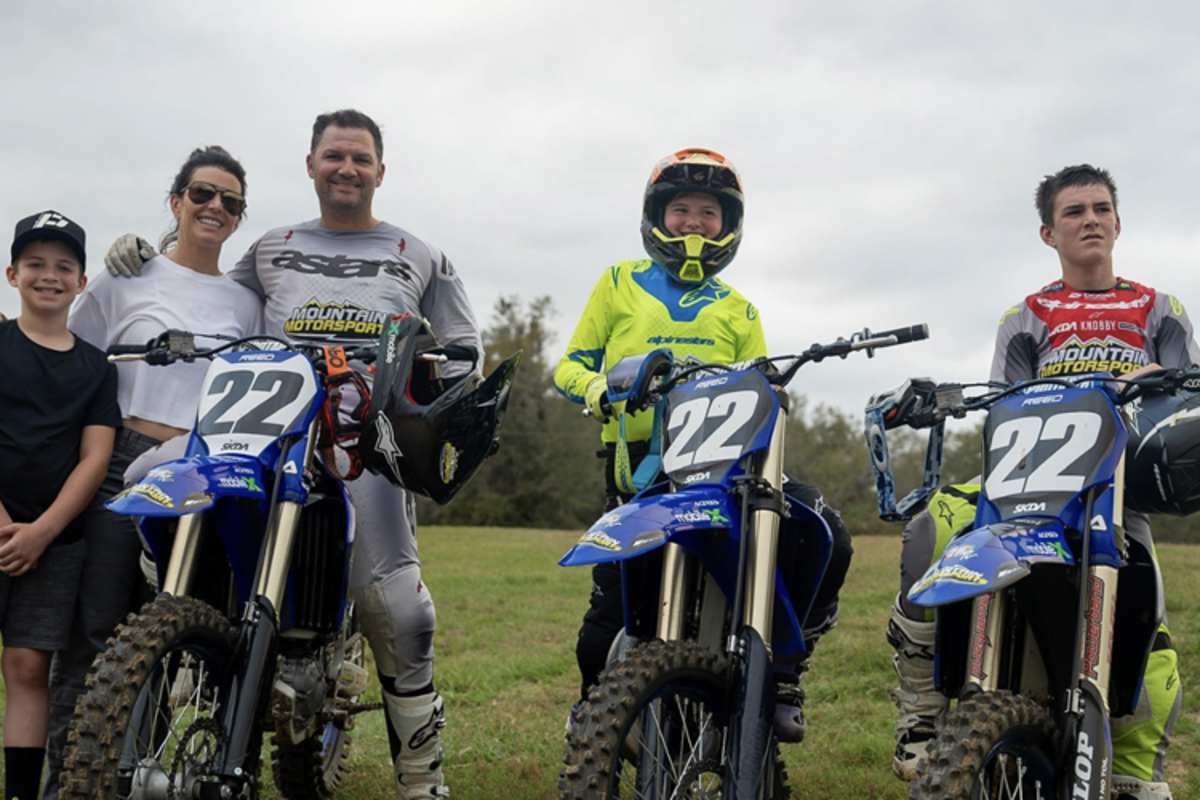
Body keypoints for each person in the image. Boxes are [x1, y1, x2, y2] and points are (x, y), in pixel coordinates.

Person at [104, 109, 481, 799]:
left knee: (396, 609)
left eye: (360, 158)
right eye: (333, 155)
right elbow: (205, 289)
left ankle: (422, 781)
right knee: (144, 476)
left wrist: (432, 388)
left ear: (380, 172)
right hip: (263, 427)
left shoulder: (419, 252)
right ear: (310, 165)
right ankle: (195, 632)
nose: (346, 167)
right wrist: (143, 263)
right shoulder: (271, 247)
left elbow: (465, 349)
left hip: (360, 444)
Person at [887, 164, 1188, 799]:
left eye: (1102, 209)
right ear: (1048, 233)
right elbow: (1002, 407)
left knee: (1149, 626)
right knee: (929, 528)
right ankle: (920, 710)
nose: (1091, 221)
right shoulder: (1025, 316)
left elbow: (1184, 401)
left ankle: (1134, 775)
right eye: (1075, 212)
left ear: (1119, 222)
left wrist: (1155, 383)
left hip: (1116, 489)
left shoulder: (1160, 307)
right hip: (1030, 480)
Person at [553, 147, 854, 744]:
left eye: (708, 213)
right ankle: (595, 710)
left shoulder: (739, 310)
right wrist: (602, 391)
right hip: (639, 474)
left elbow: (760, 387)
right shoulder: (618, 283)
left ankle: (786, 669)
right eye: (681, 209)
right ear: (657, 217)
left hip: (723, 474)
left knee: (830, 537)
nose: (693, 223)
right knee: (605, 620)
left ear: (728, 225)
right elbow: (570, 365)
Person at [38, 147, 263, 800]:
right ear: (175, 203)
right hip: (121, 464)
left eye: (231, 201)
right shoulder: (123, 278)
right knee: (96, 633)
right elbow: (72, 362)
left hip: (204, 471)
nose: (215, 207)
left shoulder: (245, 304)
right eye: (201, 194)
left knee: (167, 638)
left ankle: (136, 779)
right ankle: (66, 787)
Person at [0, 211, 120, 800]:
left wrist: (41, 532)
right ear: (12, 273)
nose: (49, 276)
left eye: (64, 267)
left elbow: (94, 459)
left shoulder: (96, 368)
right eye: (36, 264)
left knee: (27, 669)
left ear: (81, 281)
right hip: (2, 527)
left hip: (54, 542)